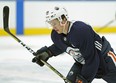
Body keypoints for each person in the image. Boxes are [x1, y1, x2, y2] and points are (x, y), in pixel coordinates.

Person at [32, 6, 116, 83]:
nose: (53, 27)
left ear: (63, 20)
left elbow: (92, 58)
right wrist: (48, 52)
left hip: (104, 59)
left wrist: (84, 78)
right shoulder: (56, 34)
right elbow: (63, 45)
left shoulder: (80, 31)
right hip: (83, 61)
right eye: (51, 24)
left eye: (54, 23)